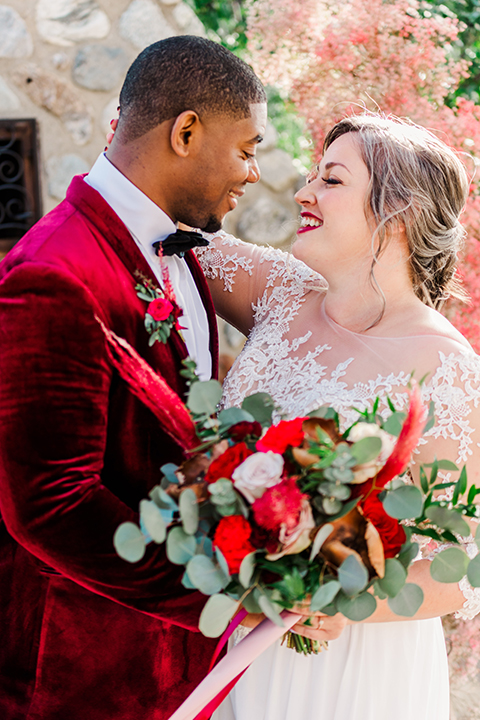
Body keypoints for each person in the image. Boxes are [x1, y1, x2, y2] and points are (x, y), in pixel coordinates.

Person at [0, 36, 269, 720]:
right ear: (186, 131)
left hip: (170, 669)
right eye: (246, 148)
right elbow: (50, 507)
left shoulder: (182, 252)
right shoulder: (53, 273)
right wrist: (226, 591)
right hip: (80, 676)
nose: (254, 172)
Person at [193, 114, 480, 720]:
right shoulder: (279, 289)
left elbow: (456, 572)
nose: (304, 192)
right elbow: (155, 230)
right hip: (228, 635)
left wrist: (322, 596)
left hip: (349, 666)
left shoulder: (444, 366)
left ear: (396, 214)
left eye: (331, 180)